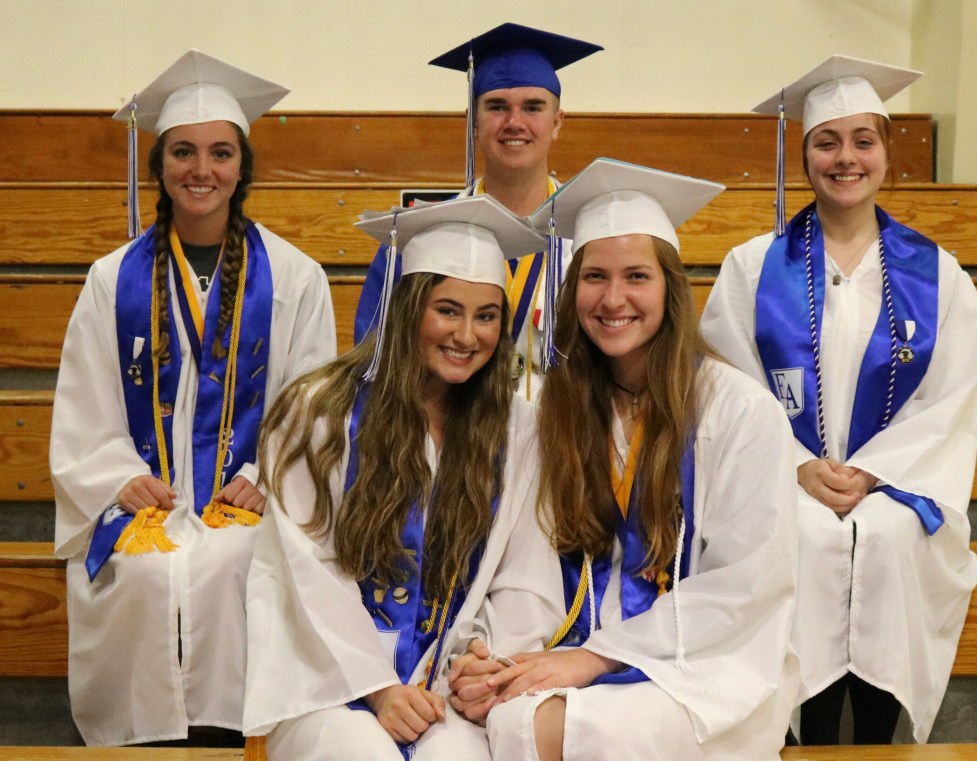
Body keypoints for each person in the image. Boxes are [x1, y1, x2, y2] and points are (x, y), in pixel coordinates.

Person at [448, 159, 800, 760]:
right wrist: (494, 656)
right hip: (572, 650)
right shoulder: (550, 408)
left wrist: (596, 657)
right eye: (594, 277)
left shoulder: (739, 412)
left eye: (636, 276)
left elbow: (744, 586)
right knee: (495, 713)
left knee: (555, 727)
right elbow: (525, 562)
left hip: (704, 670)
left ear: (670, 287)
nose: (614, 299)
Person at [49, 50, 336, 746]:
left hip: (248, 499)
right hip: (150, 503)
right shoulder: (110, 279)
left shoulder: (297, 278)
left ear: (242, 167)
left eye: (218, 152)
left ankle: (233, 737)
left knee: (232, 561)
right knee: (147, 573)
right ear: (160, 166)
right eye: (182, 151)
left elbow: (314, 403)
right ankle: (147, 738)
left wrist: (270, 476)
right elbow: (84, 405)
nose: (200, 169)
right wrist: (119, 475)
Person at [700, 56, 977, 744]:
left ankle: (877, 742)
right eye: (828, 142)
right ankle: (804, 738)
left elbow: (946, 400)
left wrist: (879, 473)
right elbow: (730, 383)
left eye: (865, 140)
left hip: (895, 484)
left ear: (887, 153)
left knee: (887, 536)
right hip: (785, 481)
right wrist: (797, 465)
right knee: (804, 535)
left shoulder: (937, 273)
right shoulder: (752, 267)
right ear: (803, 156)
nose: (847, 157)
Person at [242, 195, 547, 760]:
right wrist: (378, 689)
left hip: (446, 684)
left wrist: (482, 657)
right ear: (408, 309)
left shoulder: (515, 428)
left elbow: (525, 573)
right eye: (447, 310)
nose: (466, 335)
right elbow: (304, 571)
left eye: (486, 316)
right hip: (329, 683)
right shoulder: (317, 412)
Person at [354, 22, 602, 400]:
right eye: (497, 106)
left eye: (532, 107)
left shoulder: (594, 234)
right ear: (473, 121)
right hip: (450, 445)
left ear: (557, 122)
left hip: (569, 444)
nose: (514, 122)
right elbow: (377, 364)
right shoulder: (417, 238)